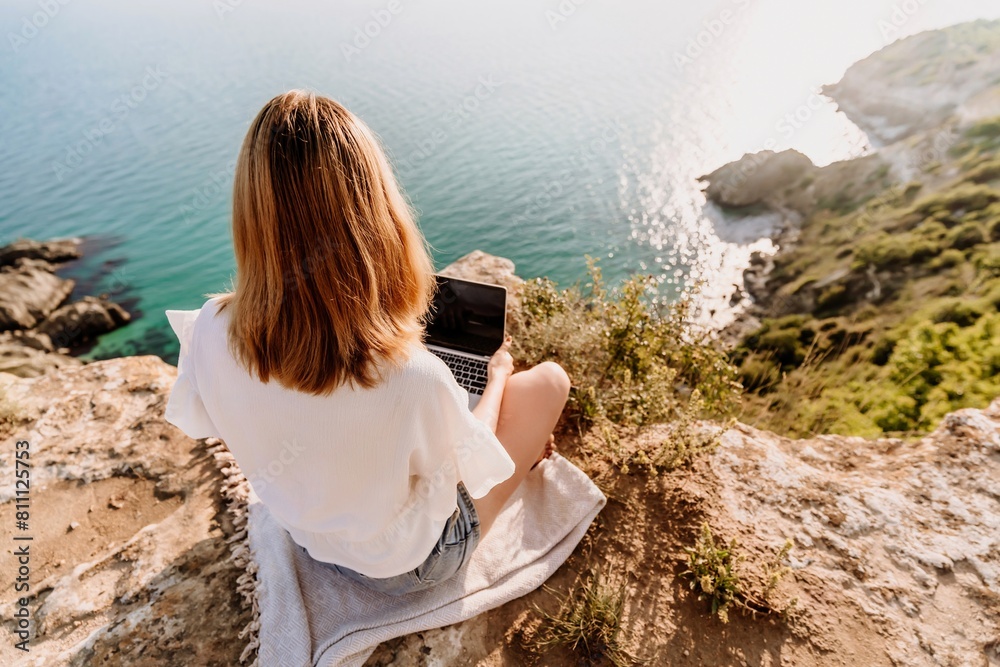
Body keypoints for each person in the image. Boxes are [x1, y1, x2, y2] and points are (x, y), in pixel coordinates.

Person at [163, 90, 571, 596]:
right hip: (412, 565)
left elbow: (233, 422)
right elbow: (473, 461)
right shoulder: (412, 376)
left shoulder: (207, 330)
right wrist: (498, 377)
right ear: (374, 211)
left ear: (252, 214)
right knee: (549, 382)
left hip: (309, 538)